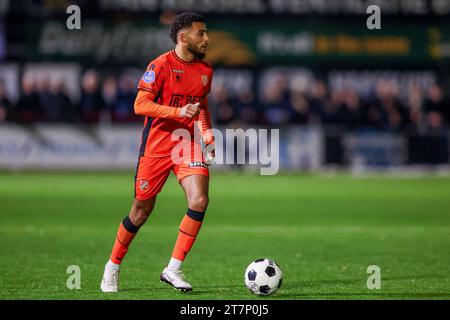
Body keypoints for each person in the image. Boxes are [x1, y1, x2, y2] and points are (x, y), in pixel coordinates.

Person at [100, 12, 215, 293]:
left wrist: (208, 136)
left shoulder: (205, 71)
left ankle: (173, 269)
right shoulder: (160, 65)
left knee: (199, 200)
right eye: (201, 33)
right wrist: (177, 111)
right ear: (183, 37)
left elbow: (201, 108)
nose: (207, 38)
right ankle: (112, 266)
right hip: (156, 147)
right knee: (140, 211)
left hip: (185, 144)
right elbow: (140, 105)